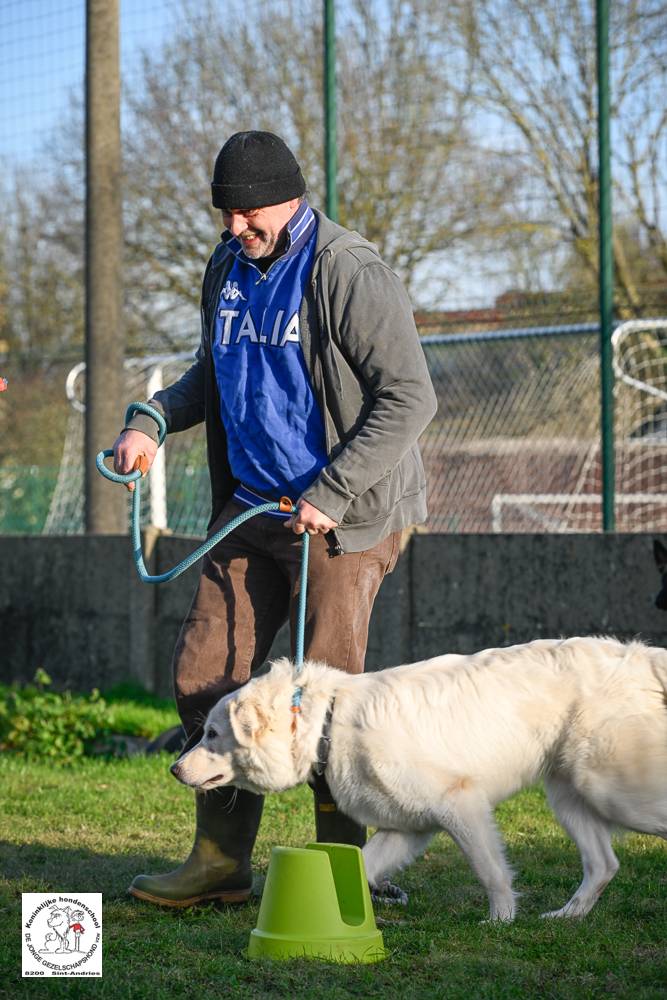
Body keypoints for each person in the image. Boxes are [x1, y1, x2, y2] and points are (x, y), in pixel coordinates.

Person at [113, 130, 437, 908]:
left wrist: (331, 490)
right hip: (251, 508)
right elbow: (213, 371)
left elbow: (408, 398)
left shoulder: (346, 270)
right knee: (206, 674)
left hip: (344, 515)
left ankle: (343, 872)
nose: (234, 229)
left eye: (247, 213)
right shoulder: (226, 267)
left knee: (324, 695)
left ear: (288, 198)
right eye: (224, 215)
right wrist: (151, 419)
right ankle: (220, 863)